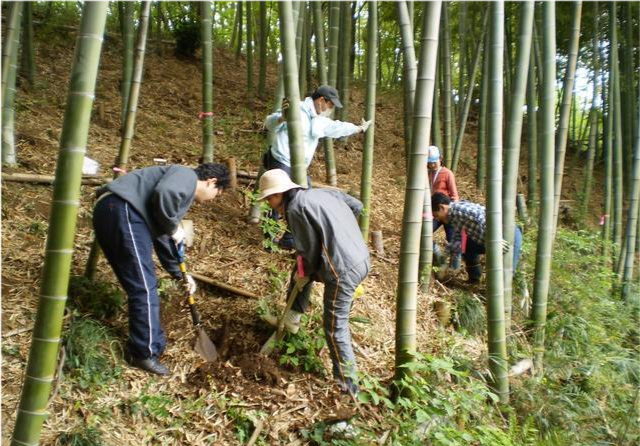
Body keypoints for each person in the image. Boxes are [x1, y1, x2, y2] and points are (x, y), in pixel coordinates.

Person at [92, 163, 230, 375]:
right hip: (123, 209)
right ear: (211, 181)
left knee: (142, 285)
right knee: (145, 288)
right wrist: (174, 226)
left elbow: (164, 237)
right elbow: (166, 195)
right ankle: (143, 353)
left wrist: (181, 275)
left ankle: (151, 345)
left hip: (117, 212)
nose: (213, 199)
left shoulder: (176, 193)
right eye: (217, 194)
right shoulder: (186, 176)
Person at [257, 169, 370, 396]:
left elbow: (307, 252)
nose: (270, 204)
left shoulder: (296, 209)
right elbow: (356, 206)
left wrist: (306, 271)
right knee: (297, 268)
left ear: (280, 193)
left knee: (334, 328)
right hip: (361, 258)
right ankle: (292, 318)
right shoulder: (322, 194)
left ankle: (349, 388)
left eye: (270, 198)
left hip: (342, 270)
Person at [247, 85, 373, 227]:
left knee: (301, 200)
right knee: (278, 198)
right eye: (330, 105)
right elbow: (270, 124)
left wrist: (359, 128)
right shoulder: (296, 109)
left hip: (299, 167)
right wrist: (282, 118)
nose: (330, 109)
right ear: (321, 100)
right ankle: (271, 237)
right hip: (281, 161)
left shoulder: (319, 119)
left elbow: (337, 127)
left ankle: (289, 238)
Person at [431, 192, 522, 284]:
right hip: (488, 240)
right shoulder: (453, 217)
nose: (437, 219)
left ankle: (517, 290)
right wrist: (444, 258)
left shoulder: (458, 209)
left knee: (506, 275)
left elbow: (482, 217)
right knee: (465, 244)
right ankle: (474, 279)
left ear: (442, 207)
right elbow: (457, 239)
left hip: (507, 238)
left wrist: (495, 240)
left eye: (436, 215)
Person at [426, 145, 460, 269]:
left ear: (440, 159)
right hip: (434, 211)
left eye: (434, 162)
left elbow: (454, 195)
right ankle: (439, 257)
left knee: (454, 240)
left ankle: (454, 269)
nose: (432, 165)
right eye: (430, 163)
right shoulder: (427, 174)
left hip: (447, 211)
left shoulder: (447, 173)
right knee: (424, 232)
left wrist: (454, 213)